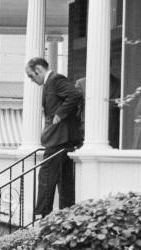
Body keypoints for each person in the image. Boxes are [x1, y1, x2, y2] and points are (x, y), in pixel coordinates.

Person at [25, 57, 83, 217]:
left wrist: (60, 114)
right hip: (61, 139)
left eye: (31, 76)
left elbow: (75, 95)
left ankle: (43, 216)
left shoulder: (55, 80)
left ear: (38, 69)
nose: (32, 80)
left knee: (46, 176)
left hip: (59, 139)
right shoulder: (50, 83)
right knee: (64, 179)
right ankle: (66, 214)